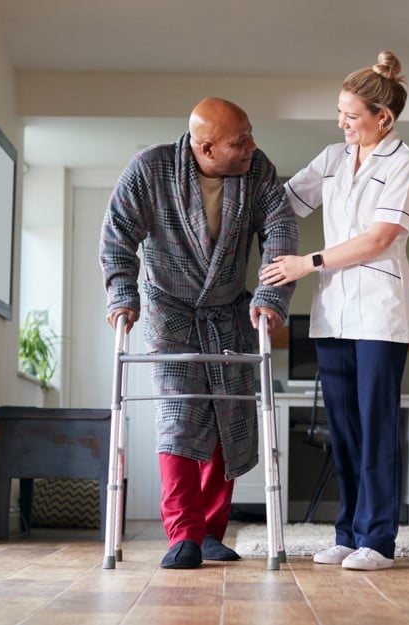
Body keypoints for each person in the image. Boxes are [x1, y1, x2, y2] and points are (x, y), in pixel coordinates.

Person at [99, 97, 299, 569]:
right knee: (179, 416)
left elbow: (280, 232)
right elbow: (117, 235)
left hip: (229, 310)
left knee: (227, 418)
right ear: (205, 148)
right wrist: (122, 294)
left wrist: (270, 300)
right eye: (239, 141)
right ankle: (183, 534)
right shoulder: (151, 168)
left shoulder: (258, 171)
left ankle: (212, 531)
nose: (252, 146)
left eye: (250, 134)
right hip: (171, 311)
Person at [261, 51, 409, 571]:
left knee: (376, 428)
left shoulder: (405, 163)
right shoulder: (332, 158)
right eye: (340, 114)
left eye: (351, 116)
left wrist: (306, 262)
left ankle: (378, 541)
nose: (342, 124)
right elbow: (283, 202)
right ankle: (348, 532)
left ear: (384, 118)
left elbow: (379, 238)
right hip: (332, 314)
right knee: (343, 429)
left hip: (380, 313)